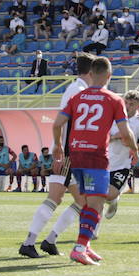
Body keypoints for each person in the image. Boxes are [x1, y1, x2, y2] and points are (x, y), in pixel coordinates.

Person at [52, 56, 138, 265]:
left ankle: (86, 244)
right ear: (109, 76)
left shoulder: (77, 97)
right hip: (96, 157)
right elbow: (125, 133)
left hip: (76, 154)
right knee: (96, 204)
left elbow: (57, 124)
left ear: (90, 74)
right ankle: (79, 248)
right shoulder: (114, 99)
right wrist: (134, 149)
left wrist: (57, 145)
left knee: (87, 203)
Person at [19, 53, 95, 257]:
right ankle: (29, 242)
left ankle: (49, 240)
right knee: (56, 198)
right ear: (90, 71)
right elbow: (63, 121)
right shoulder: (77, 91)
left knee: (81, 201)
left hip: (71, 151)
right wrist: (60, 151)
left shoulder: (79, 89)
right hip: (68, 152)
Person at [100, 89, 139, 227]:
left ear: (138, 106)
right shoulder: (113, 117)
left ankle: (113, 200)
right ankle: (93, 233)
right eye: (126, 103)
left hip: (123, 165)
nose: (127, 106)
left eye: (132, 104)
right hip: (105, 161)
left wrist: (133, 145)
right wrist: (115, 137)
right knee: (97, 197)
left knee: (108, 195)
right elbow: (103, 138)